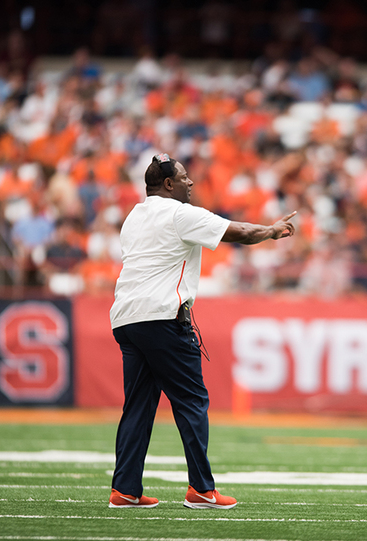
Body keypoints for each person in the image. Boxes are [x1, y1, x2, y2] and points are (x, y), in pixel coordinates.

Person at [108, 153, 297, 510]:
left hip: (126, 319)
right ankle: (201, 488)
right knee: (192, 402)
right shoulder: (179, 213)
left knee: (137, 407)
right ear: (168, 184)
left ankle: (125, 489)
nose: (190, 182)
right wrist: (271, 231)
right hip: (162, 317)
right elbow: (238, 232)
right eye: (183, 177)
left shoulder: (134, 216)